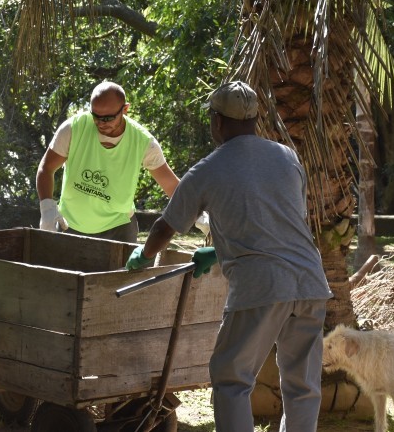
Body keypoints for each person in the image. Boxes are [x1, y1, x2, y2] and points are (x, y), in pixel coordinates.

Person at [127, 81, 333, 432]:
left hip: (261, 286)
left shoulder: (208, 169)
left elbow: (164, 227)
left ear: (217, 121)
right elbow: (279, 223)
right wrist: (219, 251)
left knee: (231, 380)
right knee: (302, 384)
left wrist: (144, 256)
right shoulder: (286, 156)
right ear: (255, 118)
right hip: (311, 282)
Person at [36, 81, 180, 243]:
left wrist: (198, 213)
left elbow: (171, 186)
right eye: (96, 116)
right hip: (70, 225)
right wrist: (47, 208)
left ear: (125, 110)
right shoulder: (73, 128)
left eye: (108, 118)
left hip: (118, 229)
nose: (101, 123)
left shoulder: (144, 142)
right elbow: (46, 168)